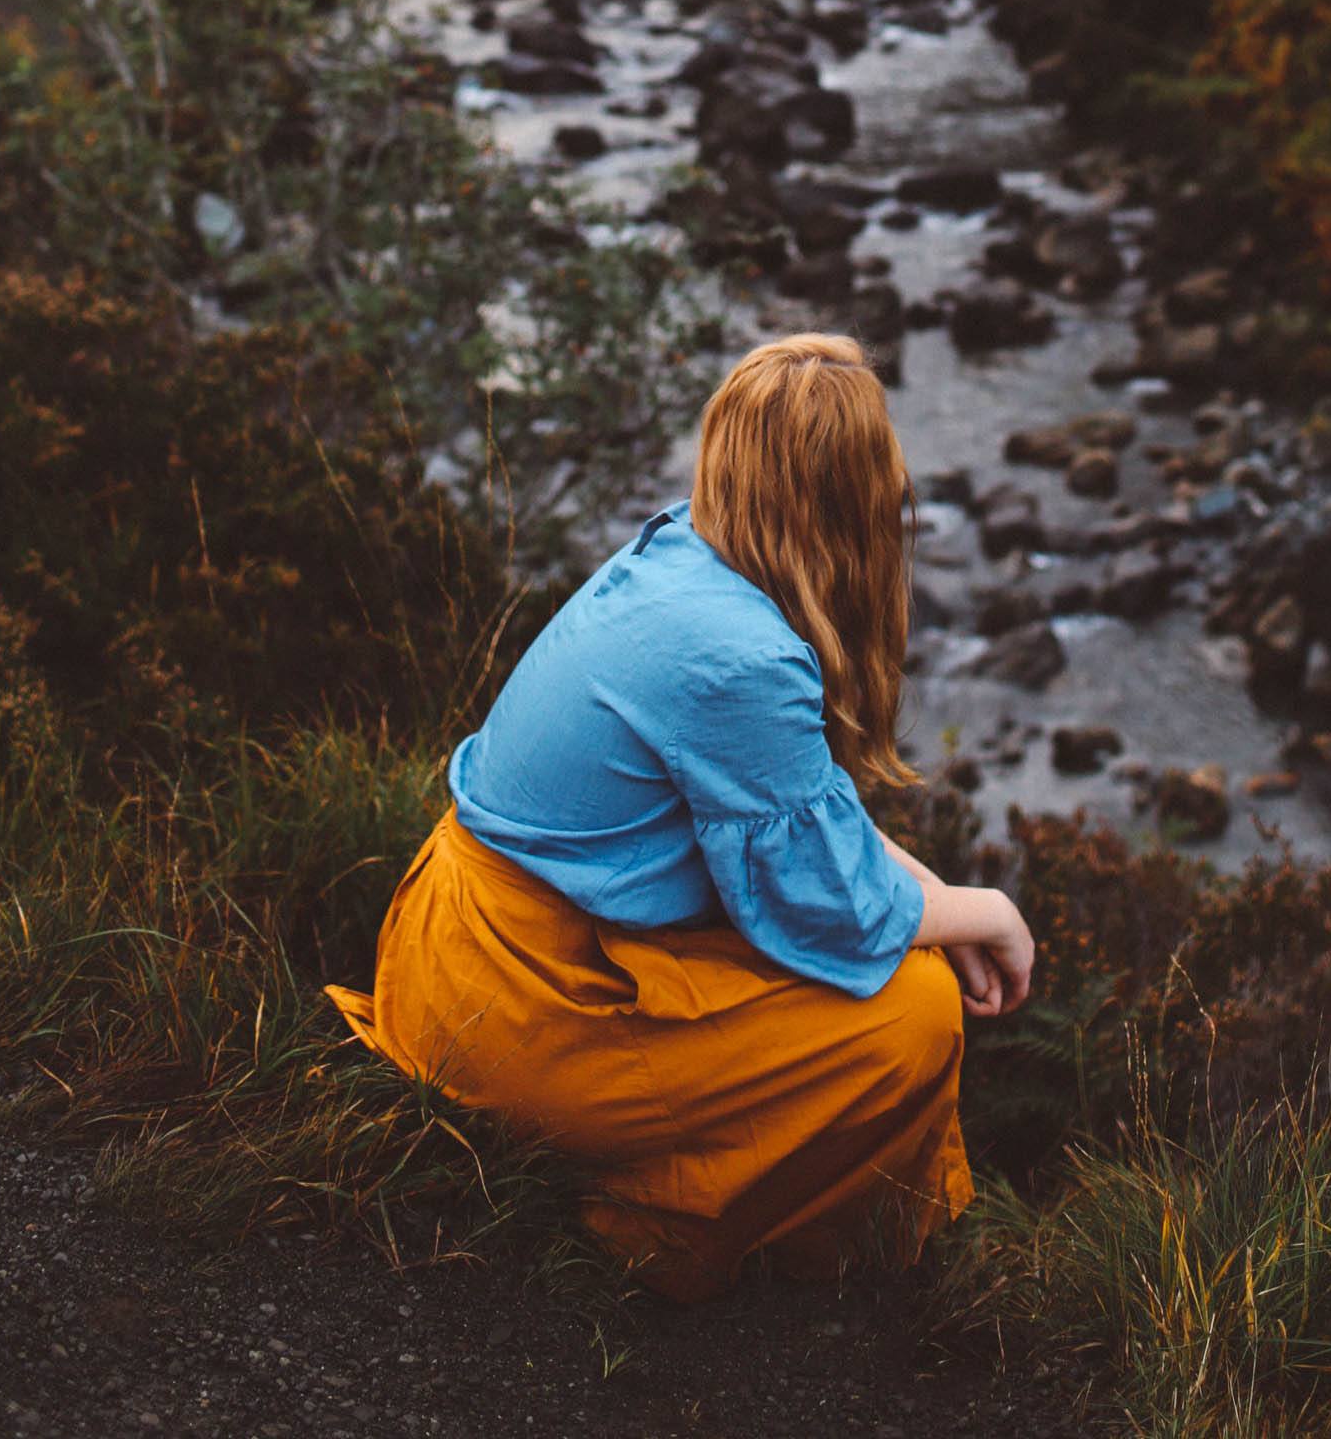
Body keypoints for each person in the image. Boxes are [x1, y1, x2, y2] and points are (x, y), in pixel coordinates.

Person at [329, 333, 1034, 1301]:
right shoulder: (742, 658)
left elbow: (806, 825)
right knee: (911, 1016)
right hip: (515, 1003)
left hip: (460, 942)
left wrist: (937, 894)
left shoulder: (680, 555)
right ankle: (650, 1225)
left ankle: (678, 1203)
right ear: (855, 499)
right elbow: (825, 907)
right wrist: (986, 911)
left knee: (886, 957)